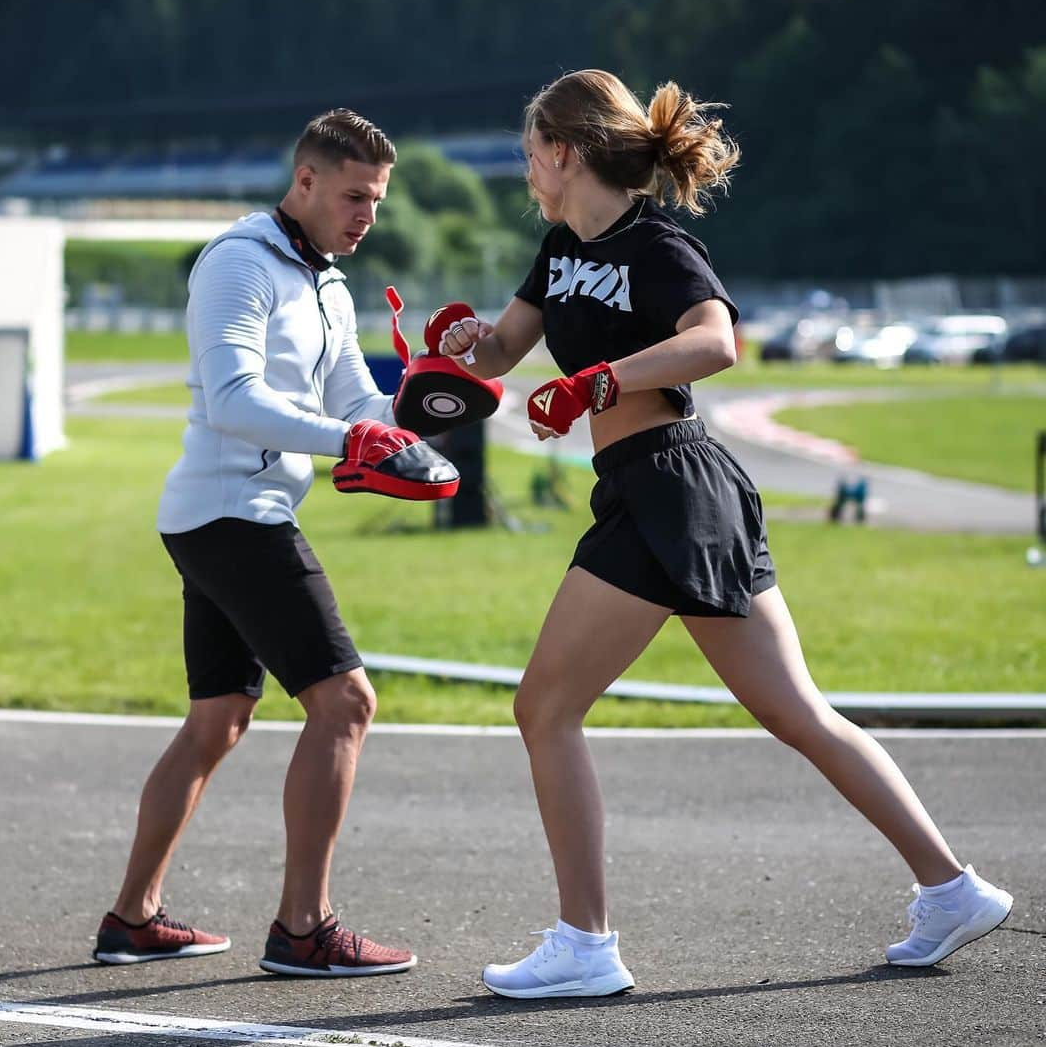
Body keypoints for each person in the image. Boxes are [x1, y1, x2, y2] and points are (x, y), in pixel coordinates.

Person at [434, 69, 1013, 999]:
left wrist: (600, 382)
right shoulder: (556, 248)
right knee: (793, 711)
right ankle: (954, 887)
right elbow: (505, 353)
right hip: (650, 488)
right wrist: (466, 342)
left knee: (547, 707)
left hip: (675, 481)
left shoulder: (656, 243)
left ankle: (586, 943)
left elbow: (715, 341)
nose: (525, 166)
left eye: (529, 149)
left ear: (564, 152)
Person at [93, 109, 425, 978]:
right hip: (234, 513)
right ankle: (305, 930)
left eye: (378, 200)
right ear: (305, 180)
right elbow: (233, 399)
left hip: (229, 514)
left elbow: (358, 400)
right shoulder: (240, 263)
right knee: (346, 703)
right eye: (354, 195)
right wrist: (351, 442)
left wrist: (424, 405)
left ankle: (132, 918)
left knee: (217, 720)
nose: (367, 215)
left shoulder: (331, 284)